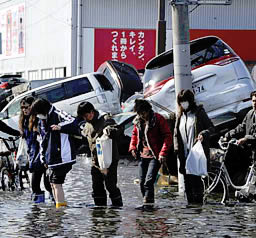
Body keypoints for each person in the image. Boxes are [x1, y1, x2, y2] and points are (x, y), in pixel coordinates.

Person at [30, 98, 76, 208]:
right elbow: (42, 140)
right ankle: (59, 208)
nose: (37, 116)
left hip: (63, 157)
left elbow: (73, 121)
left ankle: (60, 210)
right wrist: (43, 158)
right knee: (51, 184)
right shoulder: (42, 120)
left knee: (56, 183)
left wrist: (60, 127)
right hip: (51, 158)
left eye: (37, 113)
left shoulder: (57, 113)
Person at [77, 101, 123, 207]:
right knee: (96, 187)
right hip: (95, 160)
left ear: (92, 112)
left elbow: (119, 130)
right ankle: (99, 212)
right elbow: (84, 136)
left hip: (109, 159)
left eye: (86, 115)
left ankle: (117, 210)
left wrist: (110, 131)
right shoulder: (87, 124)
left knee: (110, 185)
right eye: (83, 117)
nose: (85, 118)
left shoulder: (105, 119)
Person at [173, 89, 215, 205]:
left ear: (190, 101)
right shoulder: (180, 115)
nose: (183, 104)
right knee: (187, 183)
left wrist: (203, 134)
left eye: (185, 101)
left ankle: (198, 208)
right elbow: (176, 134)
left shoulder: (199, 113)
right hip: (184, 155)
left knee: (196, 182)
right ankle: (190, 208)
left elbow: (211, 128)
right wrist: (177, 149)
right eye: (181, 101)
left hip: (196, 154)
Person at [129, 99, 172, 208]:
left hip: (155, 155)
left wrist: (163, 153)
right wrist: (133, 147)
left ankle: (148, 206)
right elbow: (134, 135)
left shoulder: (158, 119)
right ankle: (147, 204)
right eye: (139, 113)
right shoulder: (138, 121)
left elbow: (168, 136)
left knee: (149, 181)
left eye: (143, 113)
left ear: (148, 110)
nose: (142, 116)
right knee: (142, 181)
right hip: (142, 155)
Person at [19, 96, 52, 201]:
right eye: (22, 108)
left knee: (47, 184)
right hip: (34, 156)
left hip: (42, 156)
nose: (24, 110)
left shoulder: (38, 120)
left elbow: (43, 140)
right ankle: (38, 210)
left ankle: (55, 207)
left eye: (27, 107)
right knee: (37, 185)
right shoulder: (24, 121)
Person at [222, 91, 256, 184]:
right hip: (250, 153)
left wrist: (246, 138)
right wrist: (227, 135)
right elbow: (241, 127)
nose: (254, 103)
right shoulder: (250, 114)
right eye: (253, 101)